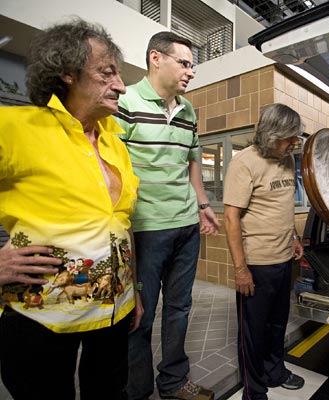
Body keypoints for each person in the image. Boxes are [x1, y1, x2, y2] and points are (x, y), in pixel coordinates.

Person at [0, 18, 142, 400]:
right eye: (107, 73)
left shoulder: (116, 144)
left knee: (110, 393)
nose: (122, 86)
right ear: (65, 72)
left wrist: (134, 290)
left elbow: (120, 222)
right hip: (40, 318)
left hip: (115, 312)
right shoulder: (13, 127)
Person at [114, 31, 219, 400]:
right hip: (145, 229)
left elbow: (192, 161)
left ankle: (173, 382)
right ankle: (137, 390)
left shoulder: (188, 110)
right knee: (140, 315)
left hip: (186, 226)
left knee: (179, 309)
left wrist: (203, 206)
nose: (191, 72)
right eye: (185, 63)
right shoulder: (125, 100)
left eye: (193, 66)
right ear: (156, 58)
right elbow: (113, 166)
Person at [223, 103, 306, 400]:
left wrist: (294, 236)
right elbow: (230, 217)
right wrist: (241, 269)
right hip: (256, 263)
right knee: (252, 331)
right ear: (273, 135)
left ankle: (275, 371)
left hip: (283, 258)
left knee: (276, 323)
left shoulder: (286, 159)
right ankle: (253, 389)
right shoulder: (244, 163)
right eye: (290, 138)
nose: (295, 143)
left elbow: (283, 206)